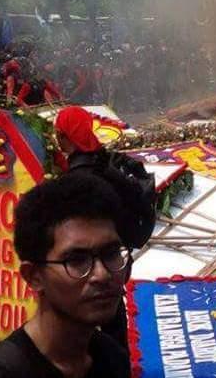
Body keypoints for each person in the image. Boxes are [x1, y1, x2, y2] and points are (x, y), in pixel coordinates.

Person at [0, 174, 131, 377]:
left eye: (111, 254)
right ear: (34, 276)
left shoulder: (111, 358)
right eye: (77, 261)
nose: (102, 274)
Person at [54, 106, 156, 348]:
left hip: (94, 264)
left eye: (59, 134)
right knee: (113, 311)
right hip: (117, 258)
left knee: (94, 315)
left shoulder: (76, 181)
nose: (56, 139)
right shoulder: (105, 163)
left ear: (66, 137)